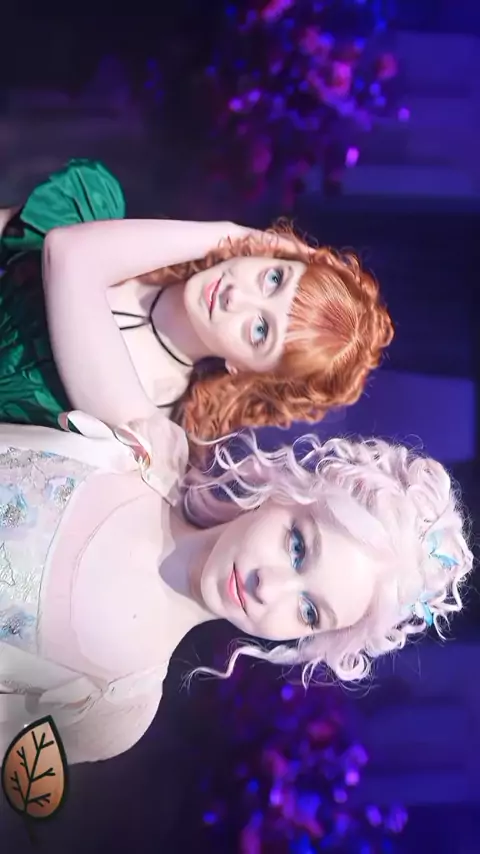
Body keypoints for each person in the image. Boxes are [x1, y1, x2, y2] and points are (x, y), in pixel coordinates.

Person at [0, 410, 472, 765]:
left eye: (309, 612)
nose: (269, 587)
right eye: (297, 547)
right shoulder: (144, 448)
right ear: (287, 495)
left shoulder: (116, 709)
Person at [0, 159, 393, 443]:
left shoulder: (148, 418)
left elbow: (69, 255)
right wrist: (242, 239)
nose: (237, 296)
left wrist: (232, 233)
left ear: (246, 371)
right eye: (274, 278)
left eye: (260, 330)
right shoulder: (92, 209)